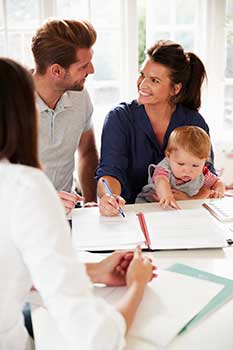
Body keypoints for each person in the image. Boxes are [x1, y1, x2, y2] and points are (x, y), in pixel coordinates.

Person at [0, 57, 156, 350]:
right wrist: (137, 285)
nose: (92, 70)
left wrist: (94, 271)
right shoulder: (23, 186)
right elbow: (96, 339)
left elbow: (8, 271)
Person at [96, 40, 216, 216]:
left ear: (175, 89)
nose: (142, 84)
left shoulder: (194, 122)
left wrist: (192, 200)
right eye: (142, 75)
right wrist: (109, 196)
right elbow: (110, 172)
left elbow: (208, 176)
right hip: (130, 215)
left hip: (182, 214)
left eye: (154, 80)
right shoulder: (119, 118)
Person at [31, 19, 99, 213]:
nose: (91, 70)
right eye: (83, 66)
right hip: (17, 218)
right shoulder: (10, 104)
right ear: (57, 71)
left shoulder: (80, 97)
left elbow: (87, 152)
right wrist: (44, 202)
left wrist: (90, 202)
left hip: (66, 215)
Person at [136, 126, 225, 208]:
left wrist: (218, 191)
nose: (187, 170)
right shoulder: (164, 168)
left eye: (195, 165)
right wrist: (167, 196)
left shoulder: (203, 173)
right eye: (181, 164)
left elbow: (217, 182)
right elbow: (161, 180)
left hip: (183, 206)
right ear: (168, 155)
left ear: (204, 161)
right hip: (151, 203)